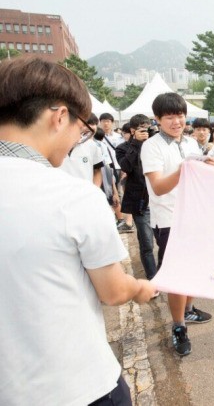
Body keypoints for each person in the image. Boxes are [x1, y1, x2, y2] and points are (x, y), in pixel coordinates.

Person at [0, 57, 156, 405]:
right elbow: (114, 291)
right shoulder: (71, 195)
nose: (78, 139)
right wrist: (140, 286)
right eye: (81, 128)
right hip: (75, 385)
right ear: (59, 116)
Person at [140, 93, 214, 356]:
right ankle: (178, 326)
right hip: (170, 220)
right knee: (177, 275)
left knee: (195, 268)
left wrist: (207, 164)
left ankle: (189, 310)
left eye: (180, 115)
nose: (176, 121)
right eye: (170, 116)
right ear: (158, 119)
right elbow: (159, 188)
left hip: (195, 217)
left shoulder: (190, 142)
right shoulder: (151, 146)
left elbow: (199, 178)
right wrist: (186, 166)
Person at [116, 114, 159, 282]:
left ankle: (164, 273)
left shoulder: (156, 145)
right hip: (141, 201)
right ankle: (153, 278)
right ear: (132, 130)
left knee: (164, 239)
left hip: (160, 198)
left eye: (147, 128)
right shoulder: (123, 148)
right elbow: (126, 166)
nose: (145, 132)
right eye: (141, 129)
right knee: (147, 242)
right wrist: (136, 143)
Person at [59, 112, 104, 187]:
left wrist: (95, 190)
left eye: (93, 124)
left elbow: (97, 171)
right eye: (86, 124)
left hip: (85, 194)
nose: (91, 127)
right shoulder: (55, 144)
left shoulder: (92, 146)